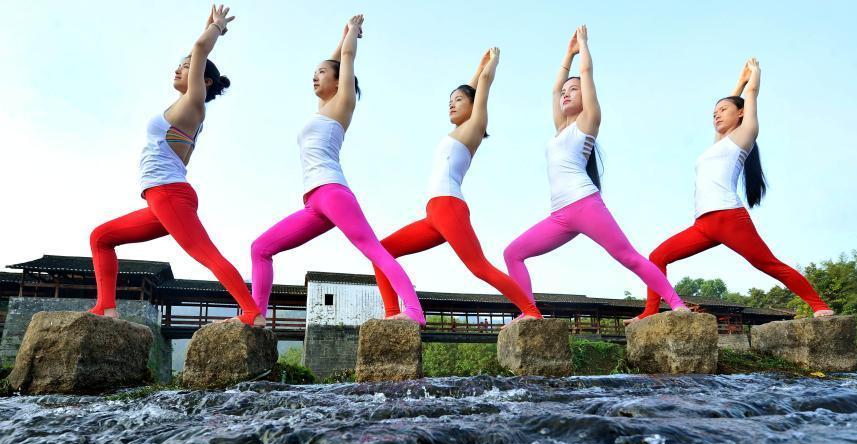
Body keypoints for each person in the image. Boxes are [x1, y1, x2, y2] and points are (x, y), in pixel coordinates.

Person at [89, 5, 264, 326]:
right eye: (180, 66)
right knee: (102, 237)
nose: (179, 69)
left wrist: (216, 29)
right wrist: (206, 27)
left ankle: (252, 313)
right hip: (161, 198)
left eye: (187, 68)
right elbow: (195, 52)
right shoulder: (183, 105)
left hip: (169, 194)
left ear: (205, 82)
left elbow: (199, 49)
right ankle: (106, 307)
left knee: (206, 254)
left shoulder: (193, 104)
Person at [250, 15, 425, 324]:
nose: (314, 77)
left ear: (338, 80)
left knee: (374, 250)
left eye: (321, 73)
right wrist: (341, 36)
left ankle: (414, 311)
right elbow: (336, 58)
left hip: (333, 192)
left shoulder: (342, 104)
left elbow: (345, 58)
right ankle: (255, 315)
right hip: (313, 203)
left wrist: (352, 35)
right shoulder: (322, 109)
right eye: (313, 73)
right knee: (261, 248)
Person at [503, 26, 686, 316]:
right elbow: (554, 88)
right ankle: (530, 313)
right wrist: (567, 54)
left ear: (584, 96)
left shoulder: (587, 121)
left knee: (628, 257)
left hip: (585, 204)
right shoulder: (560, 129)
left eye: (572, 90)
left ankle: (677, 304)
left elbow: (586, 74)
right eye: (565, 91)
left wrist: (583, 47)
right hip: (560, 215)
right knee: (513, 253)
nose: (565, 94)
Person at [637, 58, 833, 320]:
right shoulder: (718, 143)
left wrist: (753, 78)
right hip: (703, 225)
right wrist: (738, 82)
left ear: (740, 114)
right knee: (657, 256)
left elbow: (750, 97)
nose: (716, 114)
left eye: (723, 109)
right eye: (714, 112)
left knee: (768, 264)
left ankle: (819, 305)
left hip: (729, 218)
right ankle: (649, 312)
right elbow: (733, 103)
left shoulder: (743, 136)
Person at [374, 48, 542, 322]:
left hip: (450, 207)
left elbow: (482, 87)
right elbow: (474, 86)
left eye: (458, 100)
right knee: (381, 251)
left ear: (473, 105)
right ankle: (393, 315)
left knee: (479, 267)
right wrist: (477, 68)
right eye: (449, 101)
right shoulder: (457, 130)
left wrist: (493, 64)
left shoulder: (475, 125)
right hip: (433, 214)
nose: (451, 104)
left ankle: (531, 311)